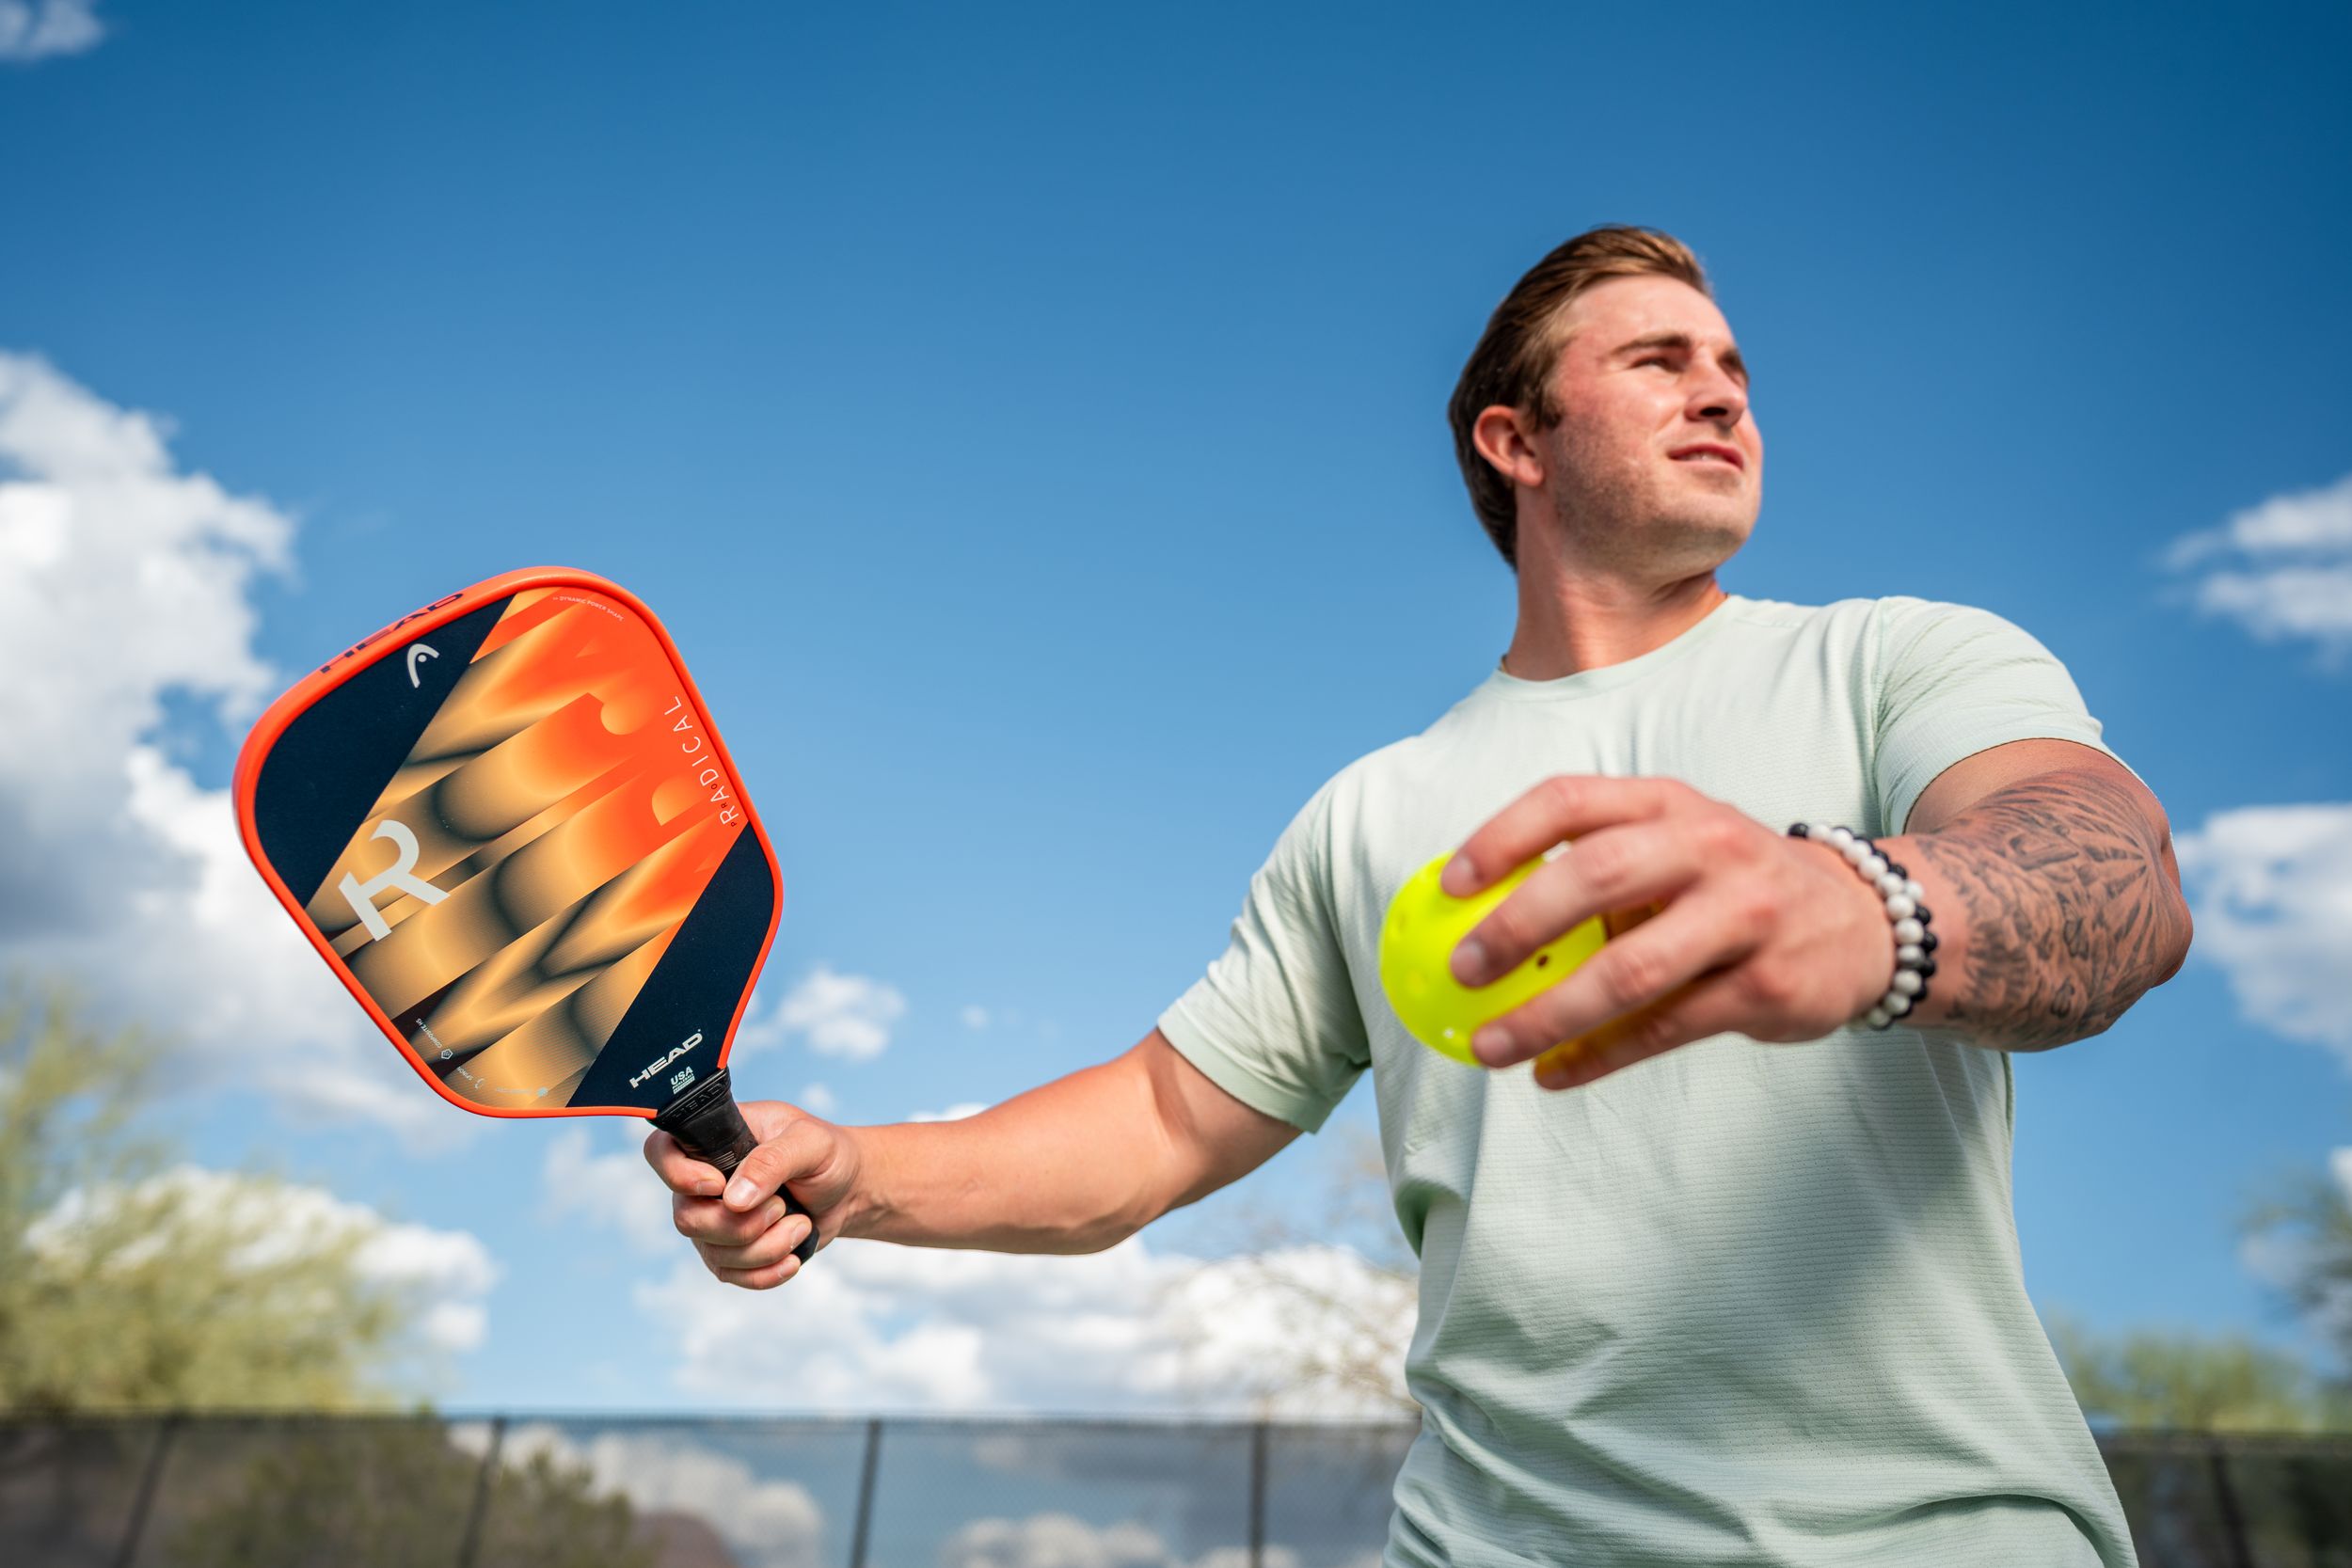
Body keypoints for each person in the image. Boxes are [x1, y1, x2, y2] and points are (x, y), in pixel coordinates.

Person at [645, 226, 2192, 1566]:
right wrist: (856, 1174)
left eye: (1732, 366)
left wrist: (1869, 906)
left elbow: (2114, 871)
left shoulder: (1899, 661)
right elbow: (1163, 1127)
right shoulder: (1369, 814)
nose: (1723, 392)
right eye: (1656, 360)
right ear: (1515, 443)